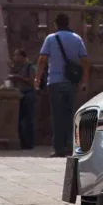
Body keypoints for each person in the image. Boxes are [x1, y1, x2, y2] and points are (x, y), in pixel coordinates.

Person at [35, 14, 89, 158]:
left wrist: (37, 79)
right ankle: (71, 146)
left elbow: (42, 60)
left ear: (55, 24)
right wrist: (84, 81)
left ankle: (58, 148)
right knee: (71, 115)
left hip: (55, 81)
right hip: (71, 83)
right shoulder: (77, 39)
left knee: (57, 116)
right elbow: (84, 61)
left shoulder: (51, 39)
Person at [8, 49, 37, 150]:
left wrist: (19, 78)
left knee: (28, 119)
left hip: (28, 94)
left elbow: (33, 82)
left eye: (16, 55)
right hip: (20, 94)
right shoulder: (19, 67)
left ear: (22, 56)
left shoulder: (31, 67)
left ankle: (30, 143)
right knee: (20, 119)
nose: (14, 58)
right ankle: (23, 142)